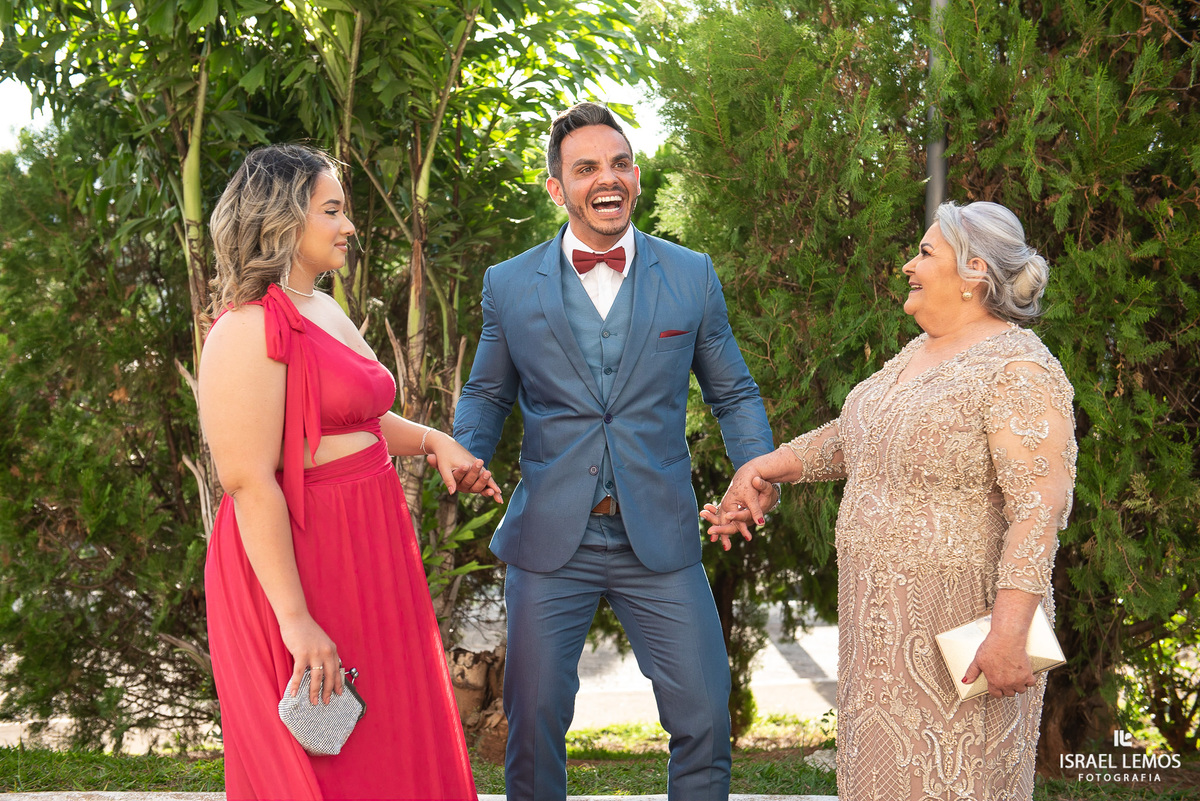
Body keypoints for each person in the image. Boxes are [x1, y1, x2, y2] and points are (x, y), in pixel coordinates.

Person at [452, 102, 776, 801]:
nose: (609, 178)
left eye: (621, 162)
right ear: (556, 187)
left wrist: (756, 467)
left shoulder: (690, 275)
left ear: (636, 175)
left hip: (657, 533)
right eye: (587, 167)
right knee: (533, 726)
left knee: (704, 717)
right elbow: (485, 393)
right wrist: (466, 449)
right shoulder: (509, 285)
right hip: (550, 536)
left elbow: (734, 392)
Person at [704, 201, 1078, 801]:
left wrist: (1009, 633)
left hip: (966, 639)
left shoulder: (1019, 369)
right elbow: (861, 434)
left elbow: (1038, 512)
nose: (909, 265)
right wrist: (769, 466)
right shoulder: (917, 353)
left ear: (975, 271)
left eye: (926, 253)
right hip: (877, 640)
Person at [200, 144, 499, 800]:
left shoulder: (322, 306)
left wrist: (431, 442)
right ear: (282, 219)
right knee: (332, 755)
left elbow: (356, 415)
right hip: (301, 561)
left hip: (371, 548)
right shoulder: (245, 330)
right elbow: (249, 481)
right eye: (331, 210)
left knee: (390, 736)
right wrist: (295, 618)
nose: (348, 225)